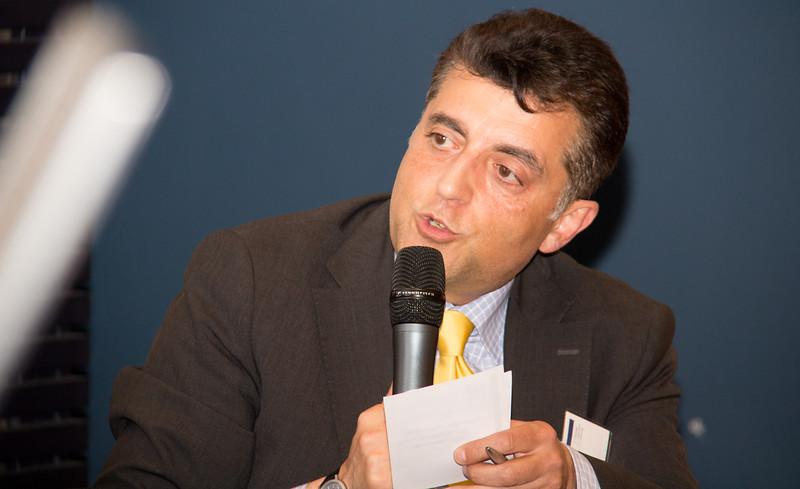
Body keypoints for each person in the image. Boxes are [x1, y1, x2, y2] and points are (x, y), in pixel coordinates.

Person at [95, 8, 697, 489]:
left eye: (505, 171)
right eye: (443, 138)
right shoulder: (251, 280)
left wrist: (574, 477)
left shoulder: (627, 334)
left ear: (562, 225)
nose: (449, 186)